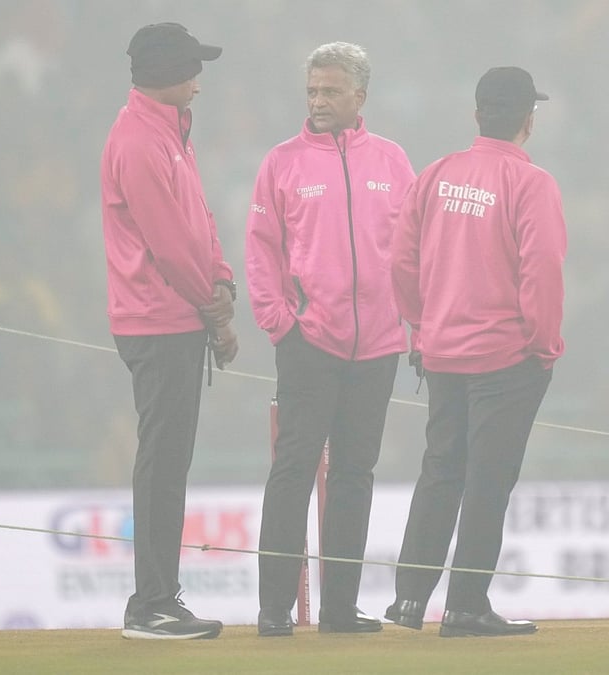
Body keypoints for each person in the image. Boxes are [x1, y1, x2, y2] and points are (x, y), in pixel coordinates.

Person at [383, 66, 566, 637]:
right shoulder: (531, 184)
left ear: (477, 114)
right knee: (488, 481)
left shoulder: (437, 173)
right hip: (506, 358)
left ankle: (409, 601)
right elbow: (542, 270)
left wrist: (422, 323)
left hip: (441, 353)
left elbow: (401, 261)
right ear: (528, 121)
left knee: (440, 472)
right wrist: (544, 344)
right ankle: (465, 606)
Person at [246, 42, 414, 637]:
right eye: (312, 90)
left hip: (378, 349)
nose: (318, 100)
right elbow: (261, 251)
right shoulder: (282, 163)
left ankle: (340, 609)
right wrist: (279, 324)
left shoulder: (394, 162)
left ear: (359, 97)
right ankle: (274, 610)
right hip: (309, 342)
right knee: (292, 471)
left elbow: (414, 253)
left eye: (330, 91)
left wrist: (411, 321)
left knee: (354, 475)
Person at [100, 22, 238, 640]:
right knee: (161, 463)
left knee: (170, 462)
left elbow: (200, 219)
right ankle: (151, 603)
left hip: (177, 315)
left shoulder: (169, 134)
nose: (199, 82)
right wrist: (214, 310)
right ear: (166, 75)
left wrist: (224, 281)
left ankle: (162, 597)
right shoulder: (138, 141)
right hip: (159, 321)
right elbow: (171, 246)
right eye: (192, 70)